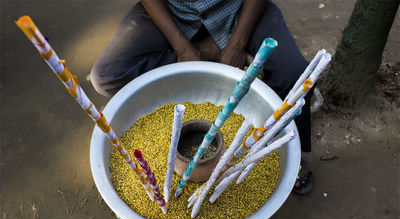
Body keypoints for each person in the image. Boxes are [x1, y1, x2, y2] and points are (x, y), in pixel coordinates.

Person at [90, 0, 314, 195]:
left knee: (294, 74)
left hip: (238, 10)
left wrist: (237, 45)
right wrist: (183, 49)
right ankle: (209, 51)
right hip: (174, 14)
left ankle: (283, 151)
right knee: (106, 76)